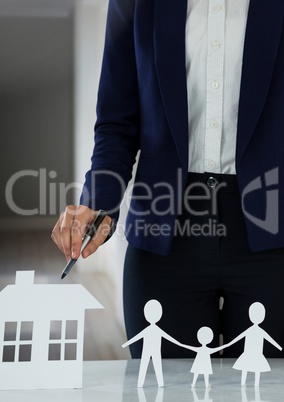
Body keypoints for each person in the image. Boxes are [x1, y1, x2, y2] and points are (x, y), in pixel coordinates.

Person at [51, 0, 284, 359]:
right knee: (160, 389)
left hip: (273, 235)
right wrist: (96, 203)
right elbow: (117, 124)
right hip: (163, 236)